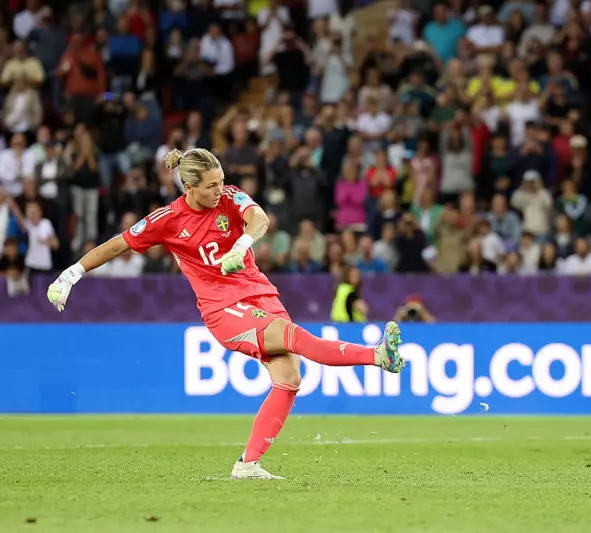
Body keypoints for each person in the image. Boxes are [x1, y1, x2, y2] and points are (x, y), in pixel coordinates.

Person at [46, 148, 405, 480]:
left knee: (290, 378)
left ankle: (247, 465)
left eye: (221, 180)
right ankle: (376, 356)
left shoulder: (230, 196)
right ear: (189, 186)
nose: (220, 189)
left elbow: (259, 219)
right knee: (293, 336)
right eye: (211, 185)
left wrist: (243, 243)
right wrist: (71, 274)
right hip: (223, 309)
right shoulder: (168, 219)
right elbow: (120, 243)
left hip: (260, 293)